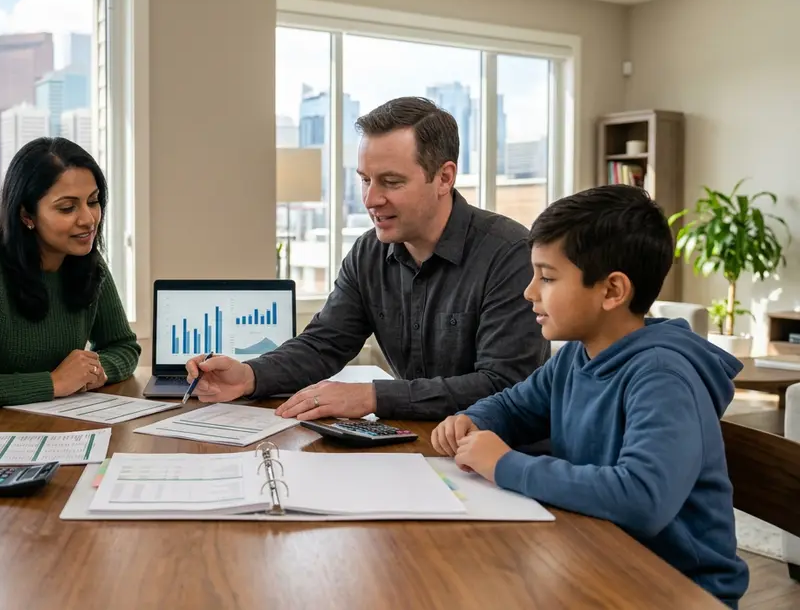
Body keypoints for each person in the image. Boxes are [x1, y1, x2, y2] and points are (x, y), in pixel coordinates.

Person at [432, 184, 748, 608]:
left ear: (613, 291)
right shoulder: (576, 358)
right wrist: (474, 419)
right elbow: (514, 406)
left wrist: (505, 464)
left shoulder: (662, 376)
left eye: (546, 277)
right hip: (597, 556)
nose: (529, 292)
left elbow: (642, 498)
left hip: (677, 589)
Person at [186, 96, 547, 420]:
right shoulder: (368, 253)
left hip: (498, 452)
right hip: (414, 443)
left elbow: (503, 386)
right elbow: (322, 345)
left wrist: (373, 396)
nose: (371, 200)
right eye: (364, 180)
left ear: (444, 178)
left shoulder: (510, 254)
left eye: (391, 182)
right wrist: (249, 375)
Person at [0, 136, 140, 409]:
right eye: (67, 207)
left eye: (93, 201)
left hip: (38, 430)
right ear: (26, 215)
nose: (88, 219)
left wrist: (96, 371)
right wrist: (52, 383)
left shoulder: (86, 261)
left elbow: (123, 346)